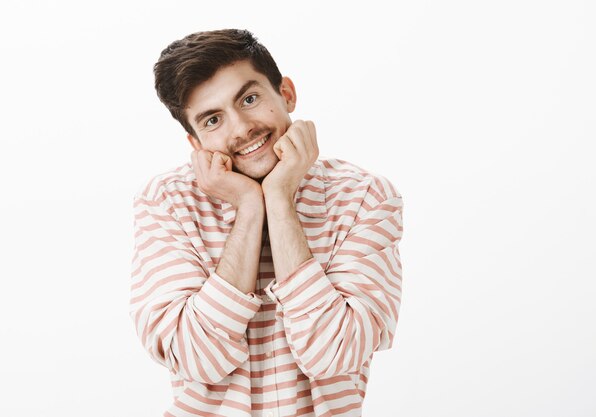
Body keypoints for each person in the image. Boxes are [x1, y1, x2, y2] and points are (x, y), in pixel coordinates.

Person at [129, 29, 404, 417]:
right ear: (195, 144)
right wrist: (248, 208)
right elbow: (198, 359)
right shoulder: (167, 202)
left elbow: (335, 354)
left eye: (250, 98)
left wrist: (279, 201)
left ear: (287, 94)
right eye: (212, 120)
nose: (241, 128)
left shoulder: (364, 197)